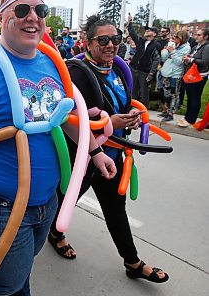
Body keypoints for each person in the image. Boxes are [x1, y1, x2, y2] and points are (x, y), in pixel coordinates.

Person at [0, 0, 115, 295]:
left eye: (40, 9)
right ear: (1, 18)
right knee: (5, 279)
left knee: (17, 272)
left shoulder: (52, 63)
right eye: (22, 9)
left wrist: (94, 152)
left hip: (46, 199)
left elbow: (62, 120)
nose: (32, 17)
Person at [48, 14, 169, 284]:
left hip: (113, 156)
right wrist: (108, 124)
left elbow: (120, 106)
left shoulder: (116, 70)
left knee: (115, 209)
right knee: (64, 198)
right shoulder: (77, 73)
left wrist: (129, 119)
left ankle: (132, 262)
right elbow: (72, 118)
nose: (110, 45)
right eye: (103, 40)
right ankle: (54, 234)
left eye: (115, 39)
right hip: (83, 155)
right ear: (88, 43)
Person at [126, 14, 161, 108]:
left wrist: (151, 73)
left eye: (149, 30)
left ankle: (144, 108)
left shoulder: (156, 45)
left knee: (144, 90)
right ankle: (132, 106)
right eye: (146, 30)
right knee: (133, 89)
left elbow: (156, 60)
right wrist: (130, 22)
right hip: (133, 68)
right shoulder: (140, 41)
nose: (146, 31)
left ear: (154, 34)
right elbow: (132, 33)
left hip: (144, 71)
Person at [178, 28, 209, 127]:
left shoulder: (207, 47)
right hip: (191, 75)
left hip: (199, 76)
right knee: (190, 97)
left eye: (199, 35)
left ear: (206, 37)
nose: (196, 36)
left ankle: (191, 119)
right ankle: (188, 116)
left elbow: (204, 62)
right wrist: (188, 58)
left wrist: (191, 59)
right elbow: (193, 58)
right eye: (196, 34)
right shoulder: (196, 46)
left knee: (195, 98)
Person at [157, 31, 191, 121]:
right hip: (166, 72)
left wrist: (172, 52)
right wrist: (165, 51)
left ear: (182, 38)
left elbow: (179, 62)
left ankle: (171, 113)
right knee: (166, 93)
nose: (174, 38)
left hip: (176, 74)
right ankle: (166, 110)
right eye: (174, 36)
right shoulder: (173, 45)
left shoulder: (186, 48)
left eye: (176, 37)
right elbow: (164, 58)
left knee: (174, 95)